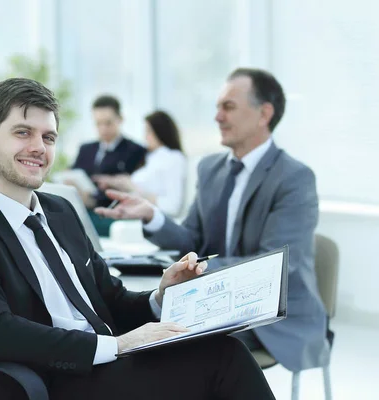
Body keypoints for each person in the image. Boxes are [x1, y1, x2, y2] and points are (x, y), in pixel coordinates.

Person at [0, 77, 275, 399]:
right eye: (23, 133)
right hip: (53, 380)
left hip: (107, 365)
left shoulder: (61, 212)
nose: (38, 147)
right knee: (222, 362)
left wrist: (159, 296)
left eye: (48, 137)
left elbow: (109, 299)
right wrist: (118, 346)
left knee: (223, 349)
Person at [96, 68, 331, 373]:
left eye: (228, 107)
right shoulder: (210, 169)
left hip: (273, 317)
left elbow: (275, 265)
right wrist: (152, 216)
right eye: (217, 107)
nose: (217, 117)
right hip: (215, 302)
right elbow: (191, 241)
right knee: (135, 333)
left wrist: (201, 271)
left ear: (264, 114)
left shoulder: (294, 178)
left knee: (182, 353)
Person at [70, 95, 147, 235]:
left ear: (120, 119)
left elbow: (135, 186)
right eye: (98, 124)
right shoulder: (86, 149)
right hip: (82, 209)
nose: (103, 129)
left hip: (113, 213)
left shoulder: (135, 150)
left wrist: (95, 197)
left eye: (108, 123)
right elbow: (74, 173)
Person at [93, 110, 186, 217]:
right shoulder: (151, 158)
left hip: (143, 218)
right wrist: (119, 182)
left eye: (148, 131)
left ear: (160, 132)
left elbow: (172, 206)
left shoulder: (173, 158)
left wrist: (132, 187)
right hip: (128, 211)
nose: (145, 136)